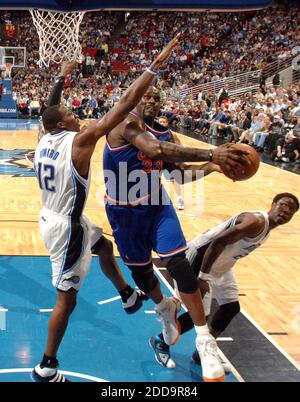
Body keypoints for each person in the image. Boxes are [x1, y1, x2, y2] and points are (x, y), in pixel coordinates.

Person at [31, 35, 181, 383]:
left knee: (102, 245)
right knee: (66, 300)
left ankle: (127, 295)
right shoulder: (80, 142)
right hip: (64, 229)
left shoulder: (44, 137)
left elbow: (49, 110)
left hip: (63, 217)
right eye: (70, 114)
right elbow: (125, 102)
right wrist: (153, 66)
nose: (75, 115)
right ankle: (46, 365)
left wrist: (60, 78)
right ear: (61, 125)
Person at [103, 84, 249, 382]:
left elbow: (178, 172)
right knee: (141, 274)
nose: (154, 101)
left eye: (158, 98)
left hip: (156, 206)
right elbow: (154, 150)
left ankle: (204, 340)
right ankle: (163, 307)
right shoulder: (123, 123)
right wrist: (211, 151)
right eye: (148, 96)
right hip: (123, 213)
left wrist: (213, 167)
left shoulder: (165, 135)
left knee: (179, 265)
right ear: (136, 98)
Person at [150, 193, 299, 369]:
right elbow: (218, 242)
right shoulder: (256, 221)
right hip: (200, 259)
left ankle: (204, 352)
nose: (286, 211)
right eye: (283, 205)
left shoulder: (266, 230)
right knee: (198, 315)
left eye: (292, 210)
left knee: (230, 307)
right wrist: (203, 277)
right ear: (273, 204)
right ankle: (161, 341)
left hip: (221, 265)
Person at [158, 115, 185, 210]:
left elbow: (180, 146)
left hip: (168, 160)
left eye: (163, 122)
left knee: (175, 180)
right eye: (160, 122)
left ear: (167, 123)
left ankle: (179, 199)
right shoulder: (152, 133)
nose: (161, 123)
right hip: (156, 161)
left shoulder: (171, 134)